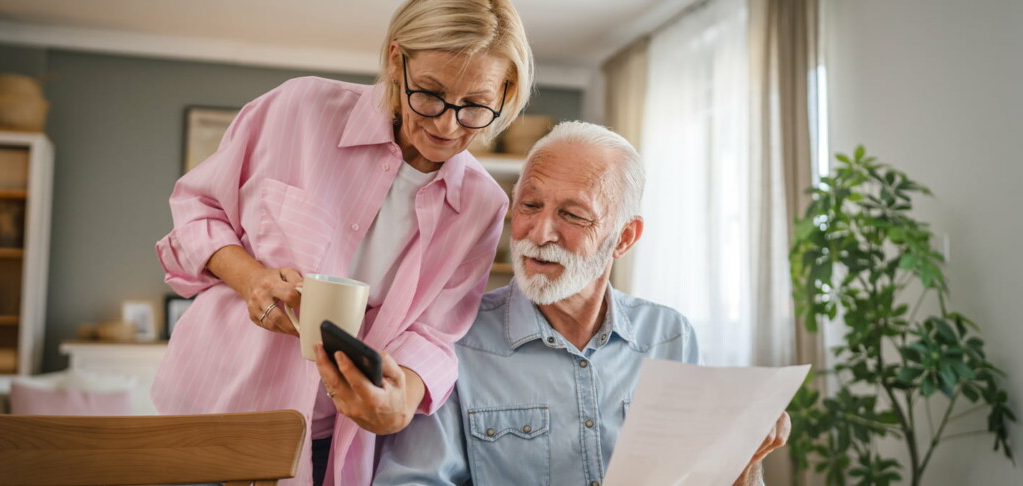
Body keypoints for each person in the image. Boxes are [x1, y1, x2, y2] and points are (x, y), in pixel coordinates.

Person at [151, 1, 533, 485]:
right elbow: (196, 211)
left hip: (327, 442)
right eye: (431, 95)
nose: (447, 125)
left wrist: (404, 400)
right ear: (397, 60)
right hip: (207, 408)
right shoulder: (298, 109)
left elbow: (435, 336)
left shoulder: (481, 206)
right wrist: (251, 279)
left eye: (476, 105)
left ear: (506, 92)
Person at [372, 121, 791, 485]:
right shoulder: (454, 339)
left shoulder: (671, 337)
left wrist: (745, 461)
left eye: (572, 215)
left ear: (624, 238)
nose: (539, 233)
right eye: (530, 206)